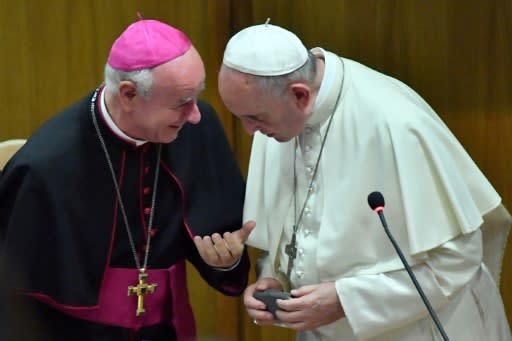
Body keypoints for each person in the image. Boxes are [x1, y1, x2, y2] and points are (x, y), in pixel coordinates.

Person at [217, 22, 512, 341]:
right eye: (241, 118)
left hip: (423, 329)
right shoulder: (273, 118)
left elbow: (457, 260)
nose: (249, 131)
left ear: (300, 95)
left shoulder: (395, 123)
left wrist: (347, 301)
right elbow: (292, 232)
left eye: (255, 119)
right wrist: (273, 280)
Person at [0, 18, 254, 341]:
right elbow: (16, 295)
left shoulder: (195, 131)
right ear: (129, 94)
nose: (196, 115)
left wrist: (225, 262)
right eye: (181, 103)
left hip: (169, 332)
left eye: (196, 97)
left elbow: (219, 243)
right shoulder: (46, 163)